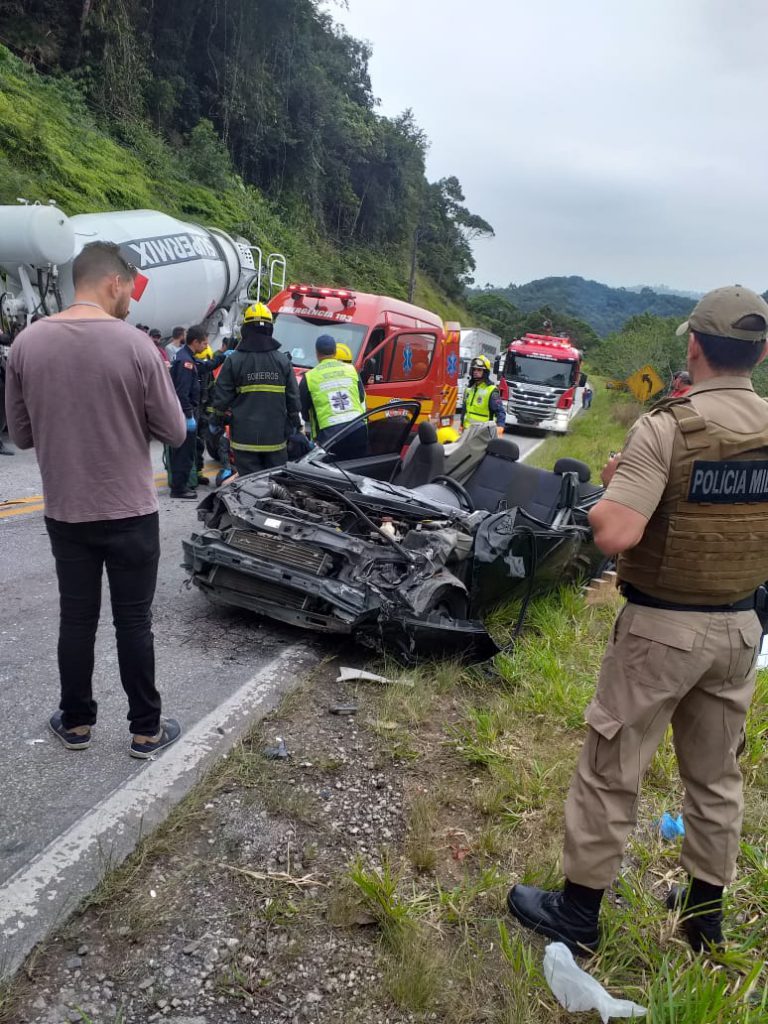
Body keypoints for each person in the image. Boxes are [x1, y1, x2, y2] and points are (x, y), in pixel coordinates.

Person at [507, 285, 768, 956]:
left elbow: (616, 533)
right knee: (715, 776)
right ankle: (704, 920)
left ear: (694, 347)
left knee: (610, 766)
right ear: (761, 353)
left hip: (662, 631)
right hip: (740, 629)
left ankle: (578, 916)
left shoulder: (667, 426)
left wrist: (613, 486)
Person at [4, 241, 186, 758]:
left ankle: (77, 723)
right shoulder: (137, 347)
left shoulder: (27, 344)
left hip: (67, 512)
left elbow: (20, 435)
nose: (132, 299)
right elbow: (173, 431)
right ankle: (146, 730)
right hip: (131, 512)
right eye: (131, 287)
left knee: (76, 619)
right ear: (114, 282)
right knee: (134, 622)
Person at [210, 302, 301, 476]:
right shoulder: (282, 361)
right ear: (270, 329)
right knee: (275, 483)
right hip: (275, 439)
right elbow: (293, 397)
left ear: (245, 329)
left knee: (250, 485)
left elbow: (221, 397)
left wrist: (216, 420)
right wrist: (295, 423)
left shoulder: (234, 360)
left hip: (244, 439)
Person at [299, 334, 367, 456]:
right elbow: (361, 397)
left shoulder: (309, 377)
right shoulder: (351, 370)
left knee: (333, 472)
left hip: (331, 436)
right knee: (357, 469)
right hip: (358, 430)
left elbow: (303, 411)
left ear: (317, 353)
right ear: (335, 352)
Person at [168, 324, 209, 498]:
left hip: (186, 412)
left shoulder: (187, 356)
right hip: (185, 413)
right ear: (196, 342)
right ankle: (179, 489)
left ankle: (183, 483)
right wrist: (189, 416)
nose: (206, 346)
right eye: (204, 343)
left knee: (187, 451)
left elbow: (204, 366)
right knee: (183, 453)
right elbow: (182, 392)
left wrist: (222, 358)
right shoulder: (186, 362)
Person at [459, 355, 506, 435]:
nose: (475, 372)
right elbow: (464, 411)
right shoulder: (468, 389)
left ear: (485, 372)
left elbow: (500, 412)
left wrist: (500, 427)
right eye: (474, 369)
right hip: (467, 434)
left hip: (483, 435)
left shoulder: (491, 390)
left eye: (479, 370)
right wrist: (461, 425)